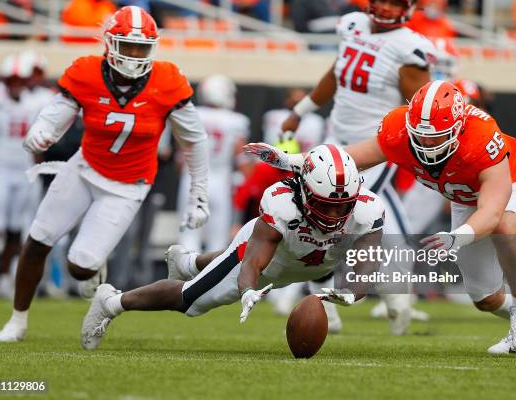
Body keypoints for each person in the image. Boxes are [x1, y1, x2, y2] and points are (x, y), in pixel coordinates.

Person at [246, 80, 516, 354]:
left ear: (459, 128)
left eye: (437, 137)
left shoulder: (482, 136)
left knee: (504, 225)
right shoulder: (400, 129)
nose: (426, 144)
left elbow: (493, 211)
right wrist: (293, 160)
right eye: (421, 135)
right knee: (484, 297)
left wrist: (458, 236)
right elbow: (350, 159)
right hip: (466, 198)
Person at [0, 6, 210, 342]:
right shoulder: (86, 71)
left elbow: (195, 141)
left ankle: (94, 268)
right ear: (110, 44)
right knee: (38, 240)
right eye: (129, 46)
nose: (135, 55)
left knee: (79, 267)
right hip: (84, 168)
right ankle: (17, 320)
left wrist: (199, 194)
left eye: (142, 47)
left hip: (127, 185)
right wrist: (42, 129)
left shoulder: (167, 80)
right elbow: (58, 110)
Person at [80, 145, 385, 350]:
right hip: (272, 261)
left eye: (341, 206)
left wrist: (350, 293)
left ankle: (189, 261)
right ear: (304, 190)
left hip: (314, 261)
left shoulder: (368, 210)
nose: (333, 216)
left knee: (223, 264)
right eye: (324, 205)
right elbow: (252, 261)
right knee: (190, 300)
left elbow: (365, 268)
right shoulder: (281, 203)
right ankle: (112, 301)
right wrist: (247, 290)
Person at [281, 0, 437, 335]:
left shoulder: (409, 48)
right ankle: (388, 293)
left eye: (395, 3)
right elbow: (336, 74)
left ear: (409, 8)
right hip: (335, 140)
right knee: (337, 217)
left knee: (346, 219)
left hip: (376, 149)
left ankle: (346, 294)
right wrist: (301, 111)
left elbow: (423, 108)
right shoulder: (351, 25)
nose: (386, 8)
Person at [0, 54, 39, 300]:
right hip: (0, 171)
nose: (16, 83)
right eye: (11, 79)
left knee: (15, 228)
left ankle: (4, 276)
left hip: (23, 170)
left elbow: (37, 144)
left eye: (19, 79)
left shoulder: (34, 103)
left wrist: (36, 172)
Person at [177, 74, 249, 253]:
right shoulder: (236, 120)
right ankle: (211, 279)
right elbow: (242, 158)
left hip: (192, 176)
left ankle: (185, 278)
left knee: (188, 235)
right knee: (218, 239)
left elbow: (181, 155)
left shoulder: (192, 114)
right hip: (220, 178)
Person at [262, 88, 324, 153]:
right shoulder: (273, 115)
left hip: (306, 158)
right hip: (275, 157)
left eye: (301, 100)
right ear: (287, 100)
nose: (297, 101)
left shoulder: (316, 120)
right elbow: (271, 140)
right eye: (294, 100)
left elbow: (314, 144)